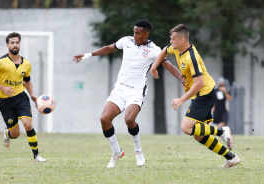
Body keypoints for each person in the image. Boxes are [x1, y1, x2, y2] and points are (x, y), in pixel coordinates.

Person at [73, 20, 185, 168]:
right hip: (120, 89)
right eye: (134, 32)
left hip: (136, 91)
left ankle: (138, 151)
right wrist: (88, 55)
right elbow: (108, 48)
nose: (134, 35)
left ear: (146, 34)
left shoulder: (154, 50)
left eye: (138, 33)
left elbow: (169, 65)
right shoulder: (126, 41)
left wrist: (182, 79)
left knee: (129, 119)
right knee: (104, 119)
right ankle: (116, 152)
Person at [150, 24, 240, 168]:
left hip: (204, 94)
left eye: (173, 39)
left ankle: (222, 131)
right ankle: (231, 158)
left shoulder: (191, 57)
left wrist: (181, 99)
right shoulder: (177, 48)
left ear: (182, 40)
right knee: (199, 135)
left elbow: (199, 83)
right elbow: (164, 51)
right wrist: (154, 67)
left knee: (186, 128)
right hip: (200, 94)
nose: (170, 41)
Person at [0, 32, 46, 162]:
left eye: (17, 42)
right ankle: (7, 133)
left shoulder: (26, 64)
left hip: (21, 97)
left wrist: (32, 95)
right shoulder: (0, 62)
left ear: (19, 44)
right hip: (5, 101)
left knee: (28, 125)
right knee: (15, 134)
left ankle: (36, 155)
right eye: (12, 43)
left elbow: (28, 80)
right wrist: (2, 88)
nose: (15, 45)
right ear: (7, 45)